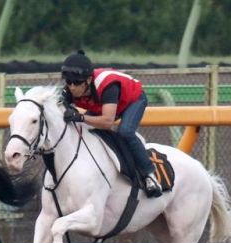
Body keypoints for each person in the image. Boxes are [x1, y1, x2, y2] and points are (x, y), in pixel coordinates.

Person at [60, 50, 162, 198]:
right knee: (83, 130)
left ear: (88, 80)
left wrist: (80, 117)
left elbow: (107, 122)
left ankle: (149, 175)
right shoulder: (70, 89)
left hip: (133, 100)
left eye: (76, 83)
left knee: (125, 131)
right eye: (68, 82)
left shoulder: (107, 85)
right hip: (103, 105)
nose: (72, 87)